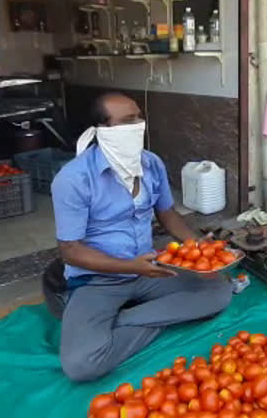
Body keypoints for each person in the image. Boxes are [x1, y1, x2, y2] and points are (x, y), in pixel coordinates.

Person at [50, 92, 232, 381]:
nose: (138, 125)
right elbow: (70, 250)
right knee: (81, 365)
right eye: (128, 120)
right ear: (103, 131)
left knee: (219, 290)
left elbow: (168, 214)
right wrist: (130, 266)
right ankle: (153, 317)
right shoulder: (73, 179)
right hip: (98, 280)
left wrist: (197, 247)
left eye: (139, 117)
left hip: (151, 271)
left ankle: (124, 321)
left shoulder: (150, 164)